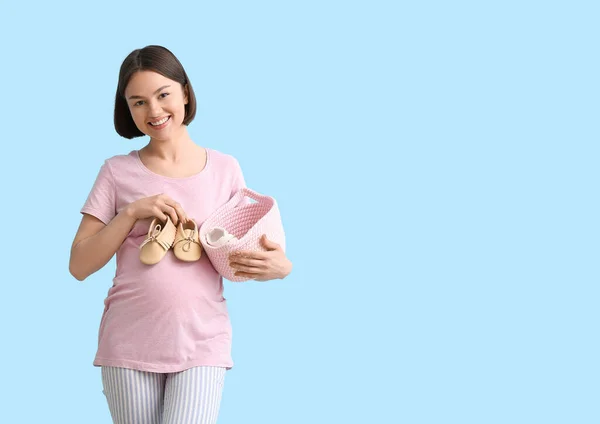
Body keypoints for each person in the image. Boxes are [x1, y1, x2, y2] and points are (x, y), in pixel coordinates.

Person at [69, 45, 293, 424]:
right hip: (128, 342)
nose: (153, 111)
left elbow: (251, 251)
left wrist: (280, 267)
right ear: (127, 109)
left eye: (163, 95)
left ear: (185, 92)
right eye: (138, 102)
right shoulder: (115, 172)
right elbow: (78, 264)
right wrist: (130, 214)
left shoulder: (225, 168)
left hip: (202, 342)